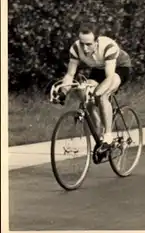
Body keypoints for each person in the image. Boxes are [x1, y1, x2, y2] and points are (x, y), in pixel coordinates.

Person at [55, 23, 133, 152]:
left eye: (89, 44)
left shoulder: (108, 46)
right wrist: (63, 92)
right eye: (82, 43)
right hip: (98, 69)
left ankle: (108, 137)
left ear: (97, 41)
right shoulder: (75, 48)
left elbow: (109, 77)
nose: (85, 49)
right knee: (84, 94)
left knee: (102, 96)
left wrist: (98, 92)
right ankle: (98, 131)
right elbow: (70, 74)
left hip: (118, 68)